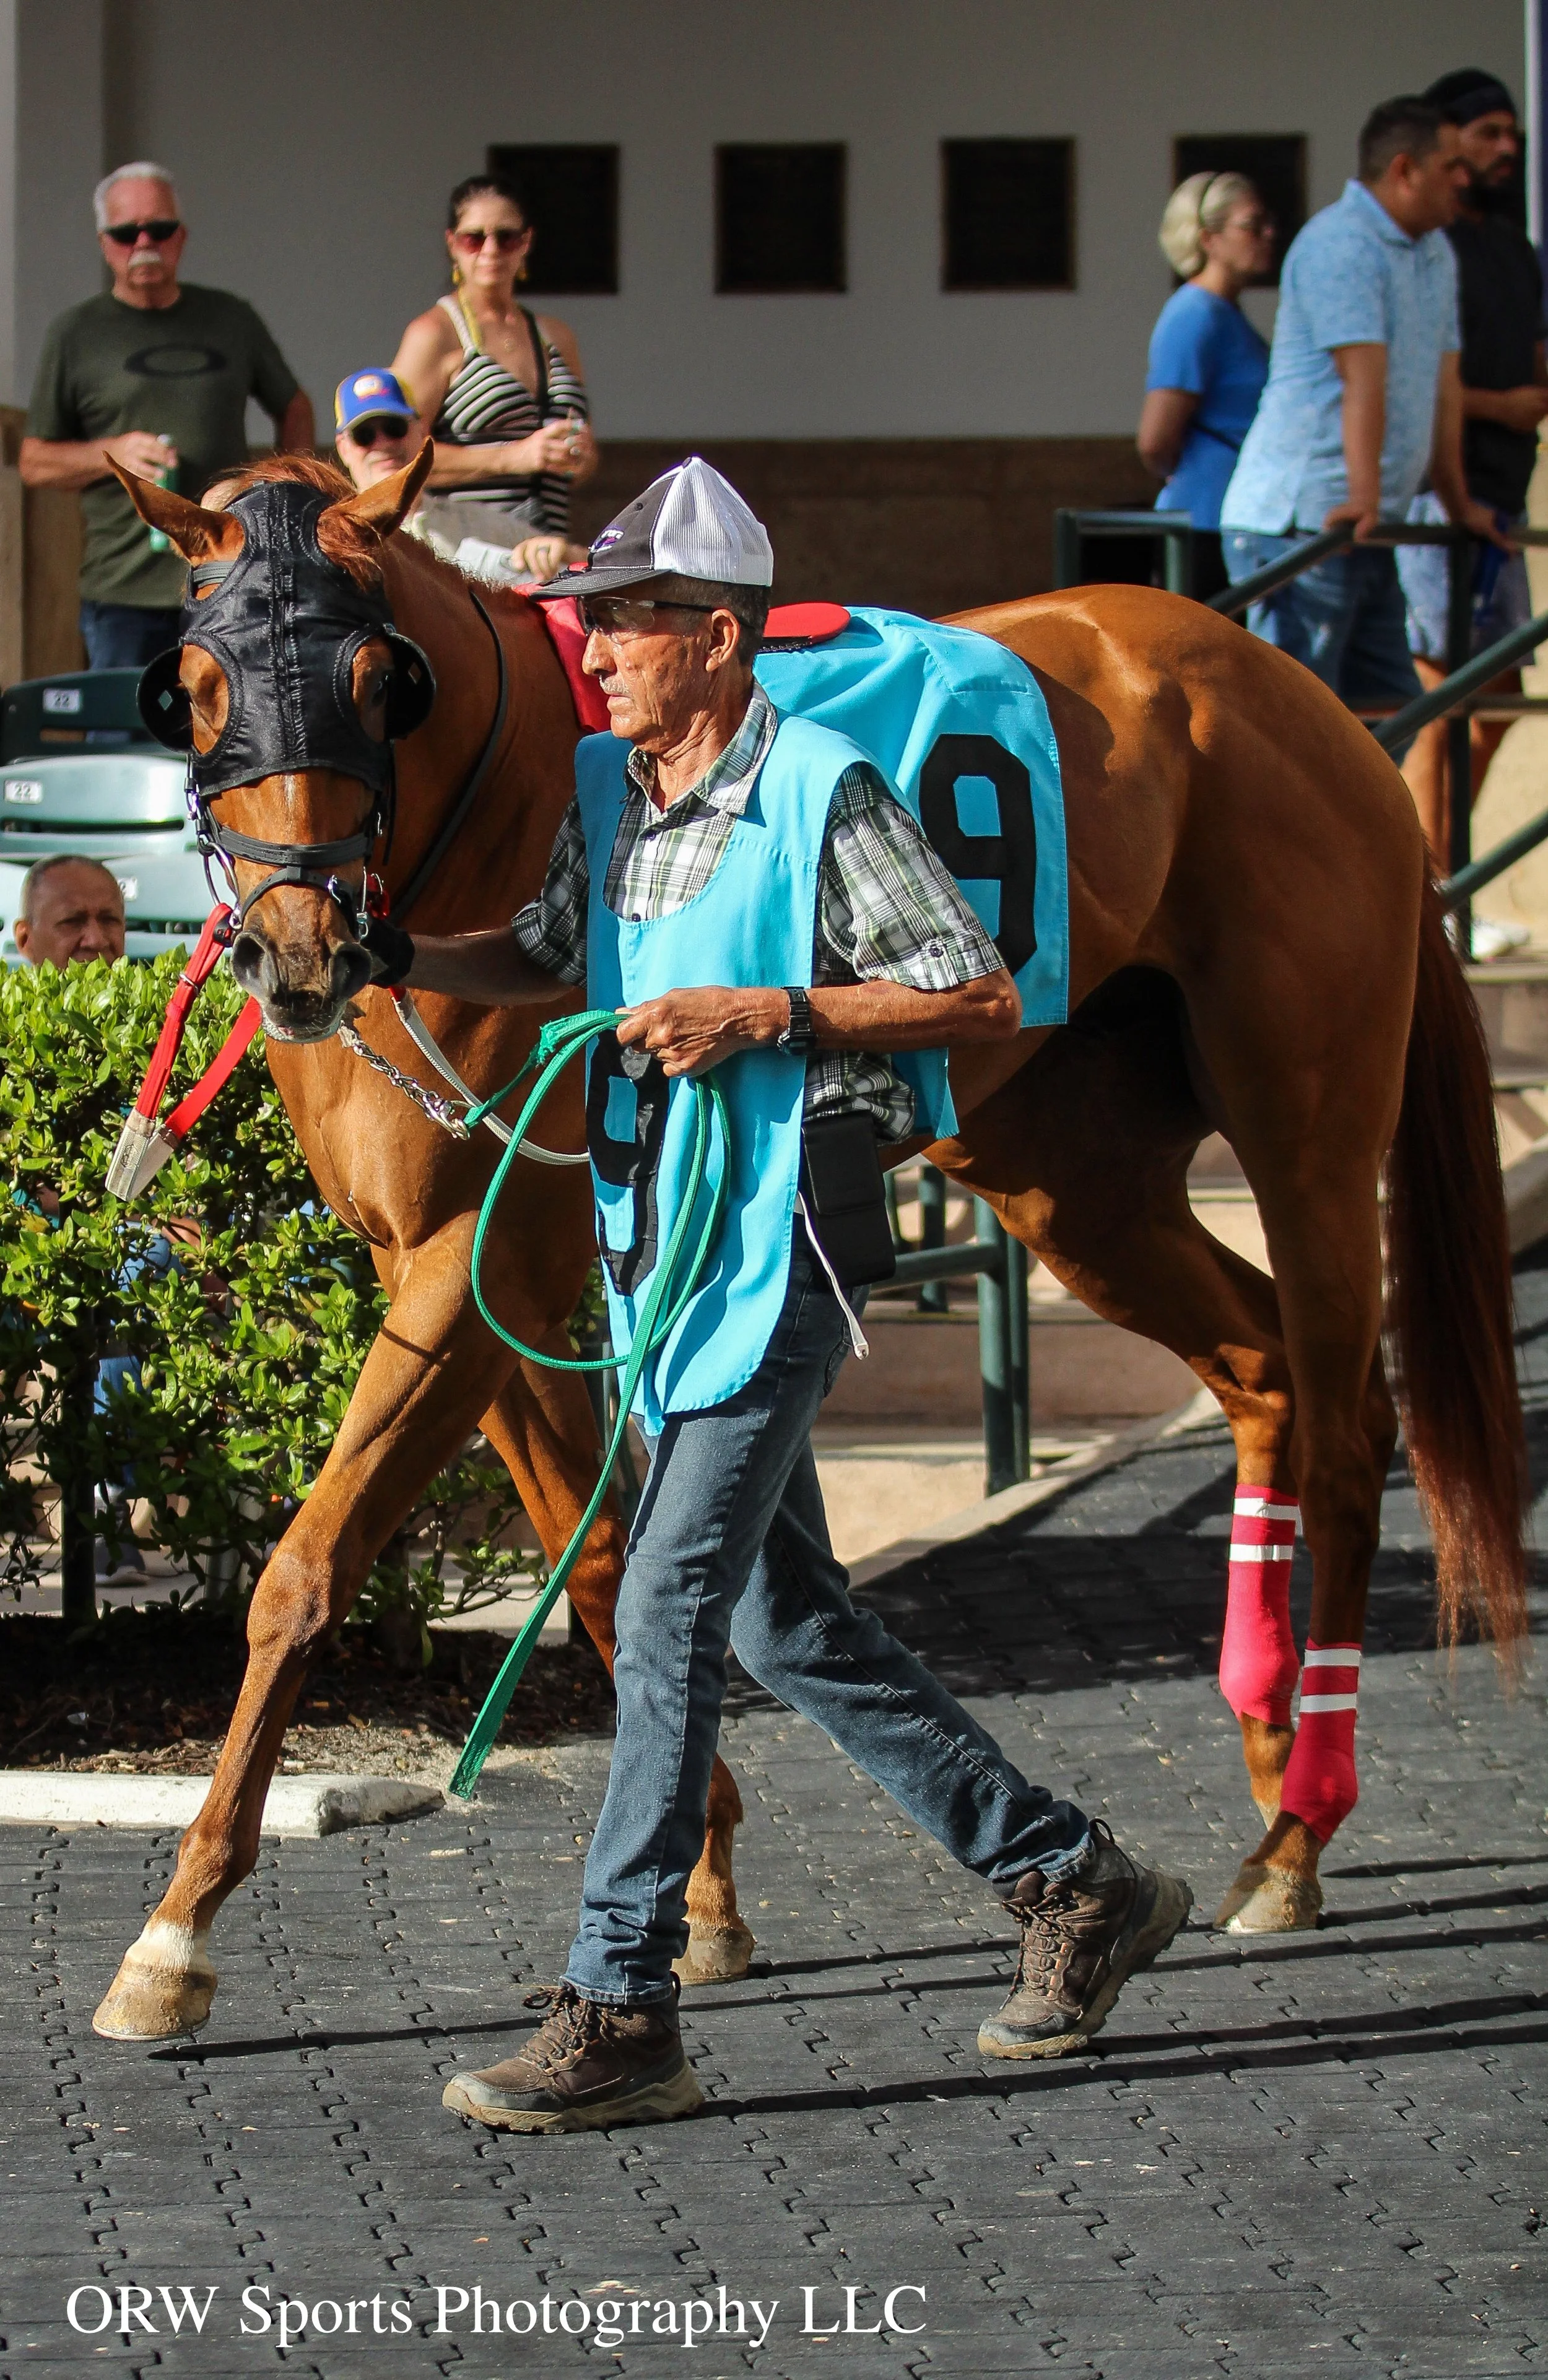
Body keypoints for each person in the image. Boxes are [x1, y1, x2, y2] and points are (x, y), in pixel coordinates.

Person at [360, 458, 1193, 2131]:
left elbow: (967, 987)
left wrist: (768, 1013)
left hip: (779, 1252)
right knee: (770, 1614)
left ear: (717, 636)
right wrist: (376, 957)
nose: (592, 651)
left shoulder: (825, 787)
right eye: (588, 624)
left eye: (625, 624)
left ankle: (622, 1996)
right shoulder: (606, 789)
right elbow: (539, 948)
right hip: (658, 1252)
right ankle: (1070, 1879)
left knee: (667, 1606)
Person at [1220, 98, 1505, 757]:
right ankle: (1282, 863)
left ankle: (1348, 861)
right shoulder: (1339, 243)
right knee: (1293, 731)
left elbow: (1443, 384)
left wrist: (1458, 504)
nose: (1464, 178)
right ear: (1405, 170)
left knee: (1390, 712)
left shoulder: (1433, 250)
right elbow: (1362, 377)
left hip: (1363, 522)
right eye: (1450, 165)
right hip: (1306, 522)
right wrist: (1363, 495)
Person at [20, 161, 313, 671]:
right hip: (122, 592)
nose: (143, 243)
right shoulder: (76, 333)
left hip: (226, 574)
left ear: (181, 236)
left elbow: (294, 405)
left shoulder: (231, 318)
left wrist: (281, 492)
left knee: (233, 737)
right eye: (125, 233)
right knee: (119, 742)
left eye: (159, 229)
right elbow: (34, 463)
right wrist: (112, 455)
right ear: (103, 242)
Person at [1397, 69, 1547, 931]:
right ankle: (1426, 907)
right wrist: (1497, 407)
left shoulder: (1514, 249)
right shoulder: (1429, 247)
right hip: (1435, 504)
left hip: (1502, 500)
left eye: (1512, 135)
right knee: (1438, 702)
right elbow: (1427, 383)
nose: (1504, 150)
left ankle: (1447, 885)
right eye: (1487, 134)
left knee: (1493, 709)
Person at [390, 173, 597, 563]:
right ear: (452, 244)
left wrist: (578, 457)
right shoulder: (435, 334)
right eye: (474, 238)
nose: (491, 250)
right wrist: (514, 456)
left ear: (527, 242)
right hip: (466, 555)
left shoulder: (554, 336)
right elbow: (394, 457)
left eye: (507, 237)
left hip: (545, 551)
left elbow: (584, 462)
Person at [1138, 173, 1274, 599]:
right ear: (1209, 239)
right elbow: (1156, 440)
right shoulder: (1195, 314)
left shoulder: (1224, 313)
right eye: (1252, 226)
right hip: (1203, 522)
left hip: (1232, 518)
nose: (1268, 235)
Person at [332, 365, 585, 584]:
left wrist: (560, 553)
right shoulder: (333, 537)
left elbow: (591, 565)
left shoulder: (475, 524)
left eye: (394, 428)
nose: (383, 444)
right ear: (343, 447)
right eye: (364, 435)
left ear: (421, 432)